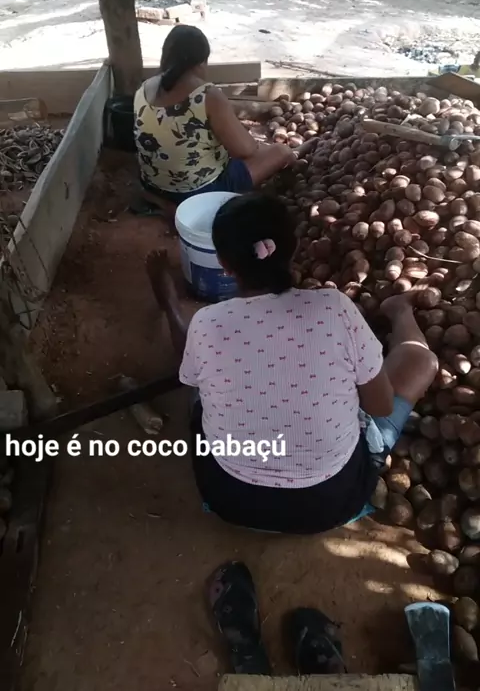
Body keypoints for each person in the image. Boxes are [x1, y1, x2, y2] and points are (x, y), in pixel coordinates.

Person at [146, 192, 438, 534]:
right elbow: (380, 406)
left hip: (231, 501)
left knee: (201, 389)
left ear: (224, 263)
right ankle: (400, 310)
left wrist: (171, 305)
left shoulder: (207, 323)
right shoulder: (334, 308)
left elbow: (190, 369)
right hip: (328, 506)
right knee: (420, 360)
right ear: (295, 247)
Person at [134, 25, 307, 205]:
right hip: (199, 193)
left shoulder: (144, 88)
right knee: (280, 151)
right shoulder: (207, 95)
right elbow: (246, 150)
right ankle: (297, 152)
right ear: (201, 62)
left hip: (152, 184)